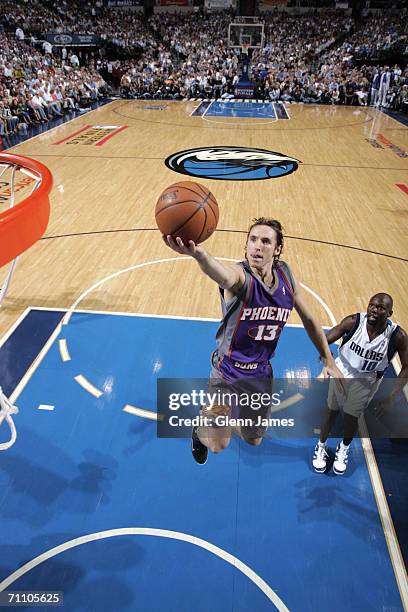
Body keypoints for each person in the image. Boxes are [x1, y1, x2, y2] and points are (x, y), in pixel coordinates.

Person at [164, 217, 344, 465]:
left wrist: (328, 358)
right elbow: (223, 275)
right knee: (217, 445)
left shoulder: (286, 276)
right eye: (253, 239)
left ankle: (221, 421)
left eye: (266, 241)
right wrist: (199, 256)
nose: (257, 246)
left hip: (260, 375)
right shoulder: (240, 277)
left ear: (277, 249)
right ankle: (201, 428)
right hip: (225, 373)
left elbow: (310, 319)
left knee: (253, 439)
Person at [313, 293, 408, 475]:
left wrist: (391, 398)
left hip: (368, 380)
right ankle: (320, 445)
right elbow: (325, 339)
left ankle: (344, 448)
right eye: (372, 305)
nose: (374, 310)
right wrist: (327, 360)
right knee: (331, 411)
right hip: (343, 372)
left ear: (390, 313)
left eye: (380, 308)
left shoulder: (398, 336)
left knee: (351, 416)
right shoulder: (353, 322)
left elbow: (406, 367)